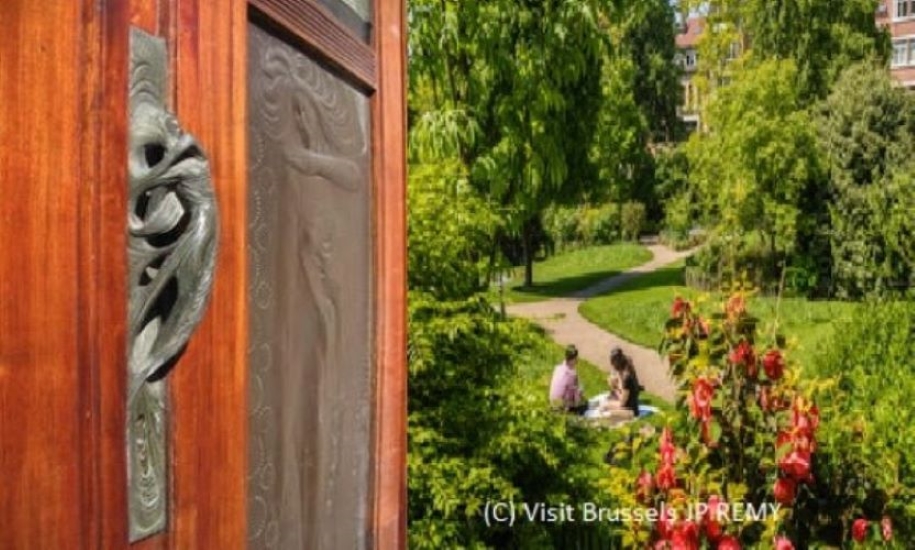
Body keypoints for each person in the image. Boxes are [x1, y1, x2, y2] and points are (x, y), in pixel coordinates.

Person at [601, 347, 641, 418]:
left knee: (606, 413)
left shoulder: (626, 378)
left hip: (631, 411)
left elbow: (622, 403)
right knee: (604, 405)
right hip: (627, 405)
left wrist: (615, 388)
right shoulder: (625, 368)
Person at [549, 345, 587, 414]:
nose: (577, 360)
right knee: (585, 404)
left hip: (552, 405)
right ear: (574, 359)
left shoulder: (558, 368)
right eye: (576, 358)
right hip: (561, 408)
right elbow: (576, 397)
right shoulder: (571, 375)